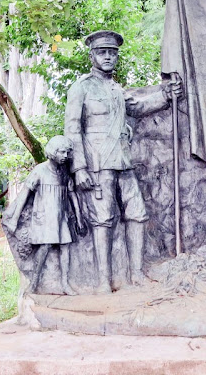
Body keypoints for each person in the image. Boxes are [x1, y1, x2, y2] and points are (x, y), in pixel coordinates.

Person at [64, 30, 181, 293]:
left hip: (122, 161)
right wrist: (79, 167)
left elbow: (137, 107)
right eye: (102, 52)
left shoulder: (117, 89)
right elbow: (72, 129)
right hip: (97, 163)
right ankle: (103, 281)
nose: (108, 57)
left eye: (112, 53)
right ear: (92, 55)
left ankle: (137, 274)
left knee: (137, 213)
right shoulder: (81, 88)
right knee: (102, 220)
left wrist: (166, 95)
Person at [3, 135, 84, 295]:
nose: (65, 156)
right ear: (53, 152)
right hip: (45, 217)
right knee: (44, 247)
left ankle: (65, 283)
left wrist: (79, 218)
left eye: (67, 153)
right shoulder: (40, 170)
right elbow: (24, 195)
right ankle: (34, 282)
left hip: (61, 218)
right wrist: (14, 219)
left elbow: (72, 195)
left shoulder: (64, 172)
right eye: (61, 152)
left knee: (65, 247)